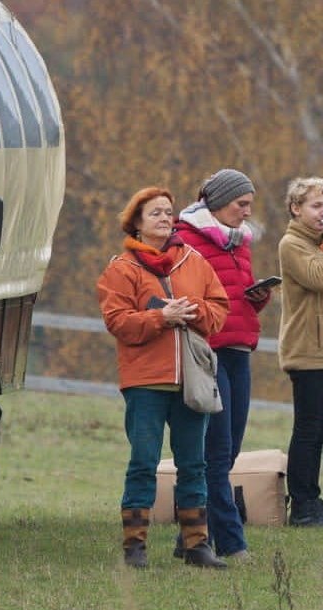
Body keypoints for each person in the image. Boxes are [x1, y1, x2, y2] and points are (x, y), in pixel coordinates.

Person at [96, 187, 231, 568]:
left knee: (194, 463)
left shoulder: (195, 261)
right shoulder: (120, 269)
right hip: (145, 383)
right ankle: (134, 547)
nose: (164, 218)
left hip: (192, 379)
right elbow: (117, 322)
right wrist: (160, 318)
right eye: (154, 212)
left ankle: (196, 545)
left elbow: (219, 309)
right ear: (136, 222)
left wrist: (191, 312)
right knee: (143, 461)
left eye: (168, 212)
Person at [171, 169, 264, 559]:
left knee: (233, 445)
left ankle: (190, 535)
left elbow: (238, 290)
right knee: (217, 447)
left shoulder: (239, 242)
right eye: (241, 204)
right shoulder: (186, 240)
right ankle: (230, 541)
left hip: (239, 348)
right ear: (220, 201)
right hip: (207, 349)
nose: (246, 213)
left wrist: (256, 298)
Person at [276, 177, 323, 527]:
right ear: (296, 208)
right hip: (306, 348)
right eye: (316, 206)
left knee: (320, 428)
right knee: (308, 429)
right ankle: (303, 504)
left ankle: (312, 500)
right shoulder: (292, 244)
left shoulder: (315, 242)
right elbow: (320, 277)